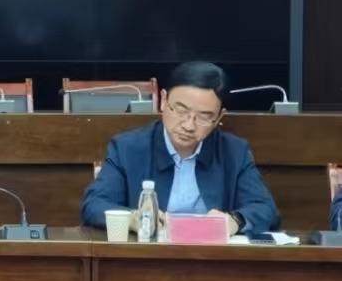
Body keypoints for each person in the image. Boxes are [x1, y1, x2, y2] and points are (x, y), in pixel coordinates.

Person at [81, 61, 279, 235]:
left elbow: (265, 209)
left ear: (219, 116)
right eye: (181, 111)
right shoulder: (128, 148)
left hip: (211, 258)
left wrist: (234, 221)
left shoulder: (234, 152)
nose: (189, 126)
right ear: (163, 101)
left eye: (204, 117)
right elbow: (94, 205)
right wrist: (133, 218)